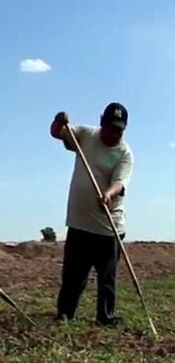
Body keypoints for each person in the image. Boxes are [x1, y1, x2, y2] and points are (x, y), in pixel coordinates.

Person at [50, 104, 134, 327]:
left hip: (108, 227)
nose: (113, 134)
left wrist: (107, 194)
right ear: (101, 122)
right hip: (79, 223)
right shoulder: (86, 135)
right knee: (73, 276)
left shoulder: (124, 154)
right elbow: (58, 132)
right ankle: (65, 315)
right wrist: (59, 121)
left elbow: (119, 183)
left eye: (119, 130)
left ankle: (105, 318)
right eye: (110, 128)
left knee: (107, 279)